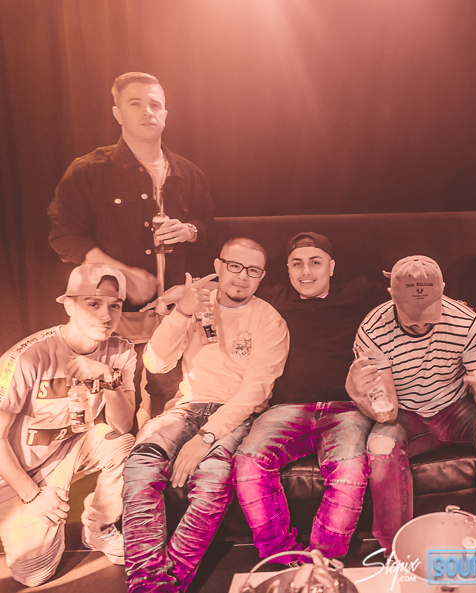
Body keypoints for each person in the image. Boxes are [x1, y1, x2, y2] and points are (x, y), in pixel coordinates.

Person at [122, 238, 288, 593]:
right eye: (234, 266)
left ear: (261, 277)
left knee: (213, 480)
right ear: (218, 265)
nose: (242, 277)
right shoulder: (194, 305)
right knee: (139, 467)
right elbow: (156, 363)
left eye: (253, 271)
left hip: (235, 416)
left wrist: (206, 436)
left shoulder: (269, 320)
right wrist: (181, 313)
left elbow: (255, 390)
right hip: (187, 405)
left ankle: (167, 583)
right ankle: (147, 583)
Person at [48, 71, 215, 424]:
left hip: (174, 316)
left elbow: (208, 227)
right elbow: (64, 235)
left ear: (166, 113)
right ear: (117, 113)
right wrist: (121, 273)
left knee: (172, 410)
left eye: (155, 104)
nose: (147, 111)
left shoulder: (188, 173)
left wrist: (189, 231)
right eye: (135, 103)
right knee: (114, 417)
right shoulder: (89, 170)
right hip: (115, 319)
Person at [346, 255, 476, 553]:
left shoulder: (466, 322)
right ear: (391, 295)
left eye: (429, 311)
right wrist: (357, 392)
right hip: (404, 412)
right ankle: (396, 552)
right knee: (381, 448)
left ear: (442, 290)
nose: (421, 324)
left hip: (455, 407)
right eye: (412, 314)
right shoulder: (373, 329)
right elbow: (387, 413)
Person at [233, 232, 387, 562]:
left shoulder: (360, 292)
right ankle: (282, 558)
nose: (306, 271)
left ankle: (320, 562)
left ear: (331, 267)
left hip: (346, 409)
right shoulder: (273, 298)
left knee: (350, 473)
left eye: (315, 262)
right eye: (297, 264)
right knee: (247, 463)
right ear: (287, 269)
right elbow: (225, 289)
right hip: (287, 407)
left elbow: (411, 291)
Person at [0, 263, 136, 586]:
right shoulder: (28, 357)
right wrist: (33, 495)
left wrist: (108, 379)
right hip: (14, 471)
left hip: (65, 452)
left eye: (115, 305)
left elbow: (123, 425)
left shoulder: (121, 351)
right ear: (70, 305)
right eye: (93, 303)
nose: (106, 315)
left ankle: (98, 528)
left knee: (123, 444)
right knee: (34, 575)